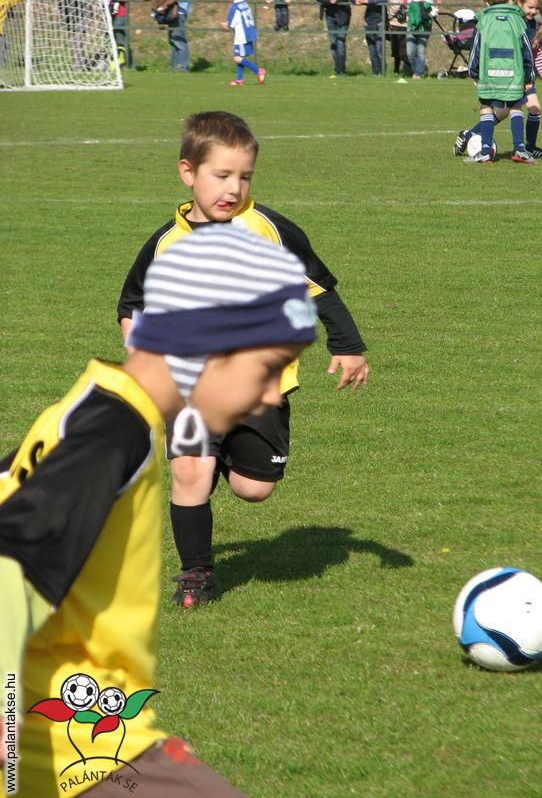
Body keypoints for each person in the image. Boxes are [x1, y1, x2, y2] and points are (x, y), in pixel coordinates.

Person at [0, 225, 316, 797]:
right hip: (71, 752)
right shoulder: (115, 432)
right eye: (267, 367)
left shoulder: (104, 409)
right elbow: (8, 573)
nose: (272, 395)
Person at [117, 111, 370, 609]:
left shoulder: (268, 230)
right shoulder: (165, 244)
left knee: (255, 488)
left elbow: (318, 288)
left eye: (244, 177)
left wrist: (347, 345)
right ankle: (196, 574)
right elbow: (131, 305)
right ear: (188, 172)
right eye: (221, 175)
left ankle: (223, 459)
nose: (233, 188)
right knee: (190, 471)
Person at [454, 0, 542, 159]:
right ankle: (471, 134)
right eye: (530, 7)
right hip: (514, 73)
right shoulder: (514, 20)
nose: (533, 11)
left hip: (521, 74)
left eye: (536, 8)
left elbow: (534, 50)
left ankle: (529, 147)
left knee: (531, 108)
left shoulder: (532, 24)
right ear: (519, 3)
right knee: (508, 110)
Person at [222, 0, 266, 86]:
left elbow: (229, 26)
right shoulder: (244, 3)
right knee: (240, 57)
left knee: (237, 58)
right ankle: (239, 79)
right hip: (249, 33)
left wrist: (224, 25)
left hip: (241, 36)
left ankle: (258, 71)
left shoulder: (235, 7)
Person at [144, 0, 190, 72]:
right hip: (174, 11)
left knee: (179, 42)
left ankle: (183, 69)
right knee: (174, 42)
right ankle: (175, 68)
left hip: (178, 12)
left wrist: (163, 6)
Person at [316, 0, 352, 77]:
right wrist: (329, 0)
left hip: (343, 15)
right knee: (333, 43)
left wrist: (337, 0)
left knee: (340, 42)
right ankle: (337, 69)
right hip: (329, 15)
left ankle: (342, 71)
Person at [354, 0, 387, 76]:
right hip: (368, 22)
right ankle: (375, 73)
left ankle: (382, 73)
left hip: (380, 22)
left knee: (379, 49)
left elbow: (383, 0)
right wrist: (355, 0)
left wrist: (368, 0)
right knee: (372, 50)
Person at [406, 0, 433, 78]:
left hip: (423, 26)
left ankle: (419, 74)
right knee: (410, 52)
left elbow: (431, 9)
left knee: (420, 51)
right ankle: (417, 71)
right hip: (411, 25)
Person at [387, 0, 411, 78]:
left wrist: (388, 16)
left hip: (398, 24)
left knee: (399, 51)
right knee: (397, 50)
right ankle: (396, 71)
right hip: (403, 24)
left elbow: (394, 8)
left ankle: (416, 69)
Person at [108, 0, 133, 68]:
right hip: (109, 15)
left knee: (121, 40)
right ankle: (113, 63)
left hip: (119, 15)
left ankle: (129, 64)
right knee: (110, 41)